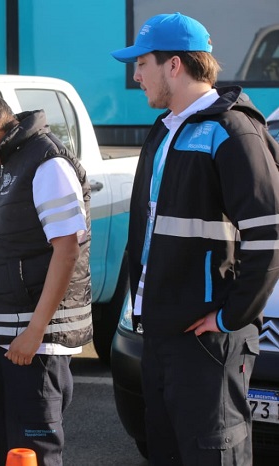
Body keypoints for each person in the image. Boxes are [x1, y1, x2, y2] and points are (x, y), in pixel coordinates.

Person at [111, 12, 279, 465]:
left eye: (142, 62)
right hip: (161, 336)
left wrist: (230, 316)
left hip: (207, 343)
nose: (136, 74)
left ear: (175, 65)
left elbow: (268, 237)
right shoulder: (165, 131)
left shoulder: (233, 131)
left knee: (213, 455)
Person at [0, 90, 93, 466]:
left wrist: (35, 332)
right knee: (12, 451)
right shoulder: (7, 164)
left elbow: (67, 250)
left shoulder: (47, 164)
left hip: (34, 344)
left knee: (33, 454)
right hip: (7, 340)